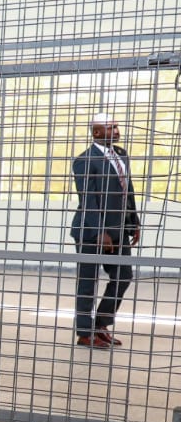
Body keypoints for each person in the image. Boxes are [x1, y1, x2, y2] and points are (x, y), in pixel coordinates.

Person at [70, 113, 140, 348]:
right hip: (91, 231)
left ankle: (100, 324)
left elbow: (128, 190)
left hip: (119, 230)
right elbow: (88, 199)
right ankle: (84, 333)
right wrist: (100, 231)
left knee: (123, 276)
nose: (116, 131)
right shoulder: (84, 160)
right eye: (111, 128)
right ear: (97, 132)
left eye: (116, 126)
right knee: (88, 282)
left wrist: (133, 222)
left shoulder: (121, 154)